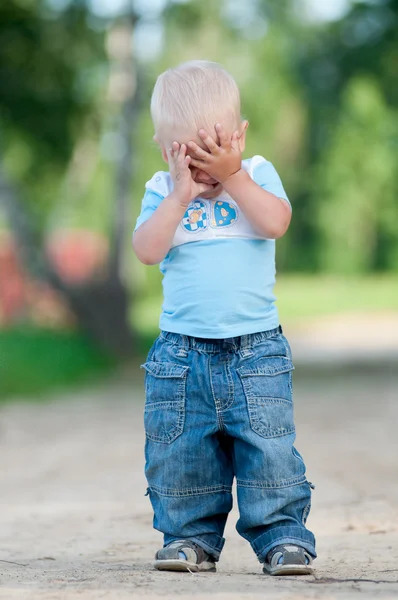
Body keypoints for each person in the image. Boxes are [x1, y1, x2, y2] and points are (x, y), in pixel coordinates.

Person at [133, 60, 316, 576]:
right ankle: (189, 538)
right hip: (181, 353)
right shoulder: (160, 191)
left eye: (214, 155)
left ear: (238, 138)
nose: (203, 172)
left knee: (270, 451)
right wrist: (177, 196)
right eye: (189, 159)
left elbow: (276, 222)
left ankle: (283, 537)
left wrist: (234, 175)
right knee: (181, 454)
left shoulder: (255, 174)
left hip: (256, 350)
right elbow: (146, 251)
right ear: (163, 150)